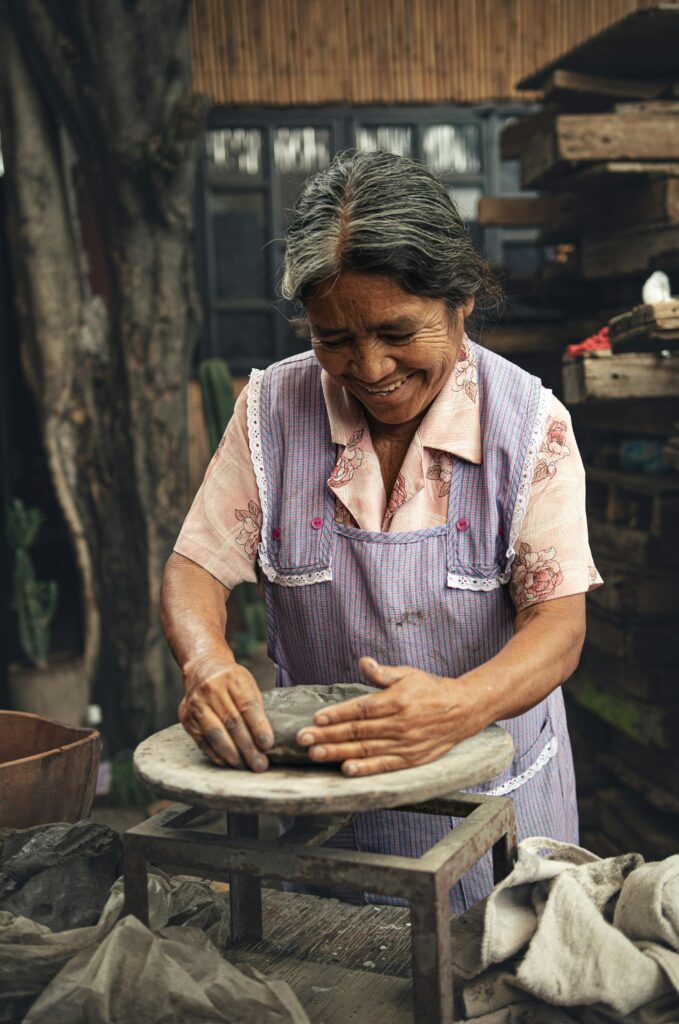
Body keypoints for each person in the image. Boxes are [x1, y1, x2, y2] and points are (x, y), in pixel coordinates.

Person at [161, 150, 602, 911]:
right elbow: (196, 567)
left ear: (460, 301)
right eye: (334, 339)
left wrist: (461, 705)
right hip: (325, 809)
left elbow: (557, 626)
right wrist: (206, 662)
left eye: (398, 332)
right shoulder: (271, 414)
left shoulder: (530, 427)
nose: (368, 367)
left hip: (492, 809)